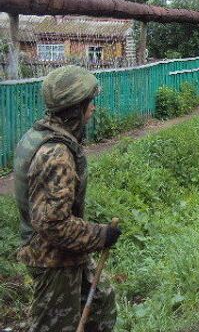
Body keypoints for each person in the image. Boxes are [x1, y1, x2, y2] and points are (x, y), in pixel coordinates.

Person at [13, 65, 122, 331]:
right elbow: (53, 224)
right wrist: (100, 235)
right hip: (52, 261)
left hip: (68, 254)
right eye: (89, 102)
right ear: (75, 109)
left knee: (100, 306)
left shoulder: (42, 134)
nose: (93, 108)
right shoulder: (56, 155)